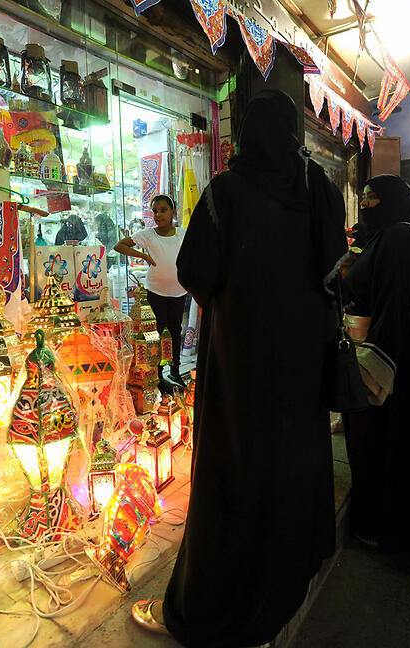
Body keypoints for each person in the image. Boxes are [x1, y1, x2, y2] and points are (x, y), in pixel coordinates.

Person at [130, 90, 346, 646]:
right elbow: (332, 272)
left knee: (234, 470)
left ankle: (209, 604)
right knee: (290, 462)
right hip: (302, 362)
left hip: (242, 362)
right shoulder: (318, 188)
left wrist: (240, 297)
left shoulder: (226, 192)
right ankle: (284, 581)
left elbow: (194, 271)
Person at [339, 175, 410, 561]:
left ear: (395, 201)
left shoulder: (398, 238)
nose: (366, 202)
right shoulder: (380, 237)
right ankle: (382, 524)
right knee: (378, 443)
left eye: (374, 197)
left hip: (391, 354)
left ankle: (390, 530)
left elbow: (394, 304)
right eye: (363, 196)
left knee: (388, 443)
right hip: (382, 347)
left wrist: (373, 366)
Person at [113, 194, 188, 386]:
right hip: (156, 292)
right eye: (155, 211)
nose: (158, 215)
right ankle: (158, 374)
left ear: (173, 212)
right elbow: (119, 245)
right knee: (156, 333)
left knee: (174, 332)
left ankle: (176, 371)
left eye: (163, 210)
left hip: (179, 292)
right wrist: (143, 256)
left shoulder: (182, 233)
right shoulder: (148, 235)